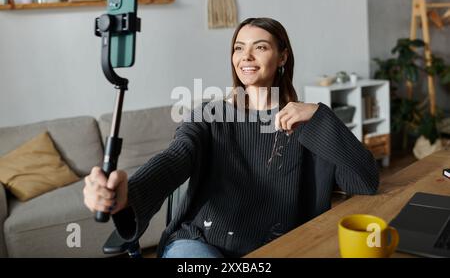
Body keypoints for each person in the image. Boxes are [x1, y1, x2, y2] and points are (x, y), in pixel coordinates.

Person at [83, 17, 379, 258]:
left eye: (260, 47)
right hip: (199, 243)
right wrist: (129, 195)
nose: (246, 56)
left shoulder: (306, 123)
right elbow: (175, 158)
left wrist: (321, 117)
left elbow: (364, 181)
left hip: (280, 246)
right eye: (238, 48)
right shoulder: (210, 115)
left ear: (282, 56)